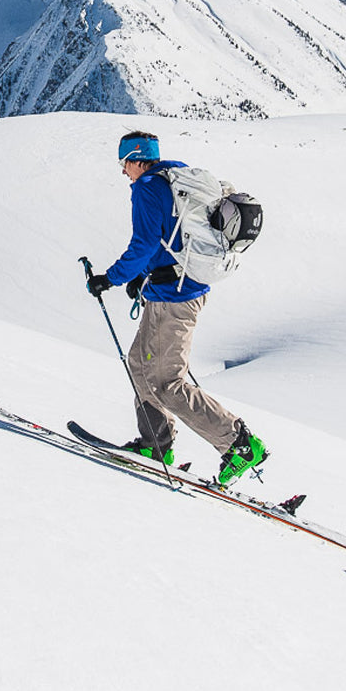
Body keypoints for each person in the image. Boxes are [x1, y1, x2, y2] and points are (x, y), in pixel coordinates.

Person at [86, 130, 268, 486]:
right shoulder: (177, 176)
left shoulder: (147, 188)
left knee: (167, 381)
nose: (124, 172)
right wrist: (144, 277)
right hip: (170, 287)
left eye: (125, 164)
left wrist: (112, 278)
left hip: (177, 297)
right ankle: (156, 444)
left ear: (137, 160)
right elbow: (173, 236)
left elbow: (144, 242)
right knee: (140, 362)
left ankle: (240, 444)